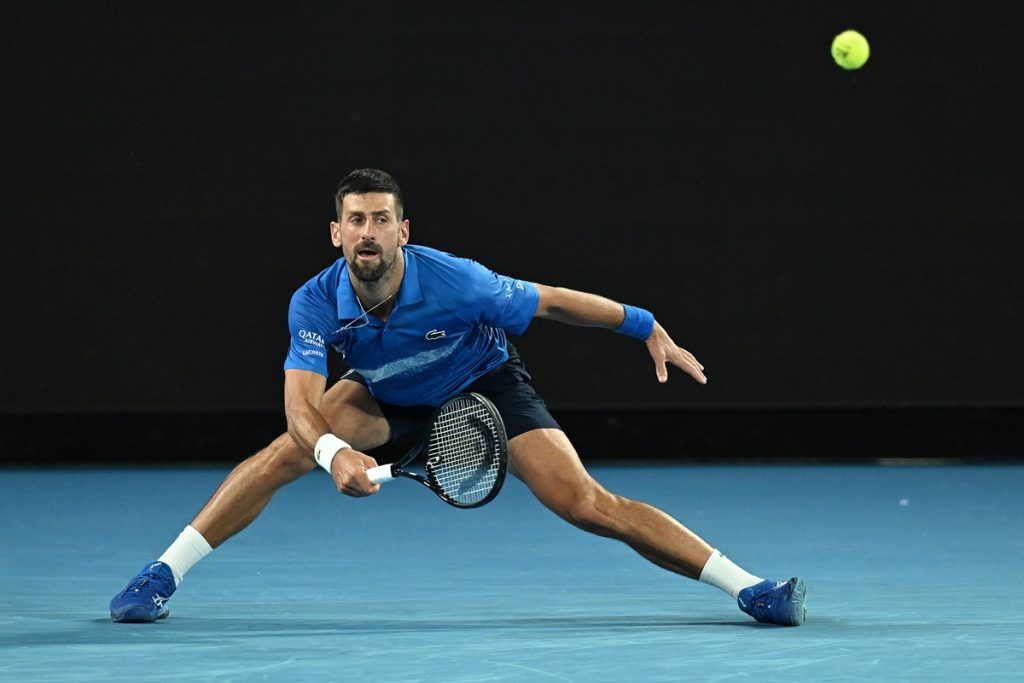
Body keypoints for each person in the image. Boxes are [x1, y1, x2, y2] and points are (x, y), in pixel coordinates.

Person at [109, 169, 807, 626]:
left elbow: (554, 302)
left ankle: (750, 587)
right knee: (279, 455)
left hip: (484, 385)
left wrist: (643, 323)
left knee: (587, 504)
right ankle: (161, 574)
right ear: (336, 233)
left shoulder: (460, 283)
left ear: (402, 231)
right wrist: (330, 452)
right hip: (388, 396)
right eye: (355, 220)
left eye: (381, 219)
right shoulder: (315, 302)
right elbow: (300, 407)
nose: (368, 232)